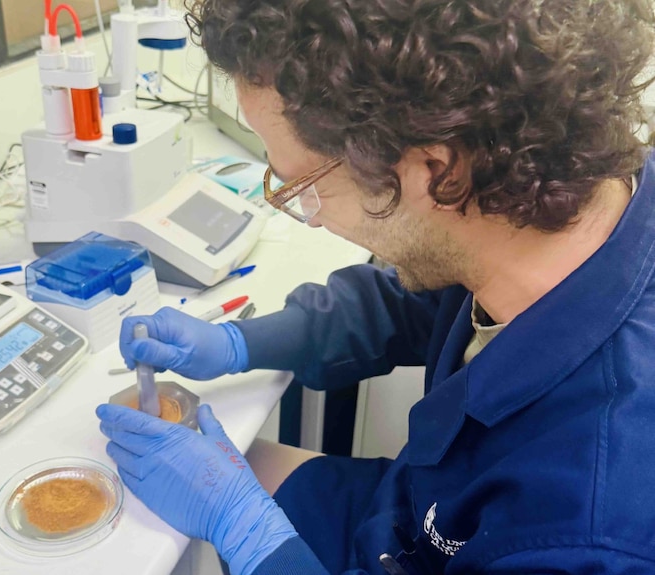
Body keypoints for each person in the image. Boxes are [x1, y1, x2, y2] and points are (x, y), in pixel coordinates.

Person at [96, 0, 655, 573]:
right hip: (415, 517)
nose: (310, 218)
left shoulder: (591, 526)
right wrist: (240, 343)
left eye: (302, 188)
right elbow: (407, 304)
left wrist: (244, 529)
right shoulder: (551, 210)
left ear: (436, 172)